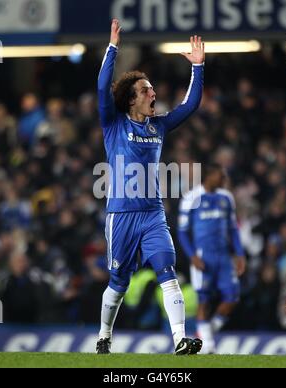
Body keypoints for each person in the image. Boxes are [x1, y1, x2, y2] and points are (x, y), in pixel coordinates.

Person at [96, 19, 205, 355]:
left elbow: (190, 106)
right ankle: (104, 335)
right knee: (118, 283)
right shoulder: (114, 124)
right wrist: (112, 48)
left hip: (152, 214)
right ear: (131, 100)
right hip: (122, 215)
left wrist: (198, 67)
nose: (153, 93)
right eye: (145, 90)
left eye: (152, 89)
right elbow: (102, 89)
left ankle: (179, 340)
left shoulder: (159, 125)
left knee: (167, 269)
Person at [178, 164, 246, 353]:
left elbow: (233, 229)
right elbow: (182, 232)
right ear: (208, 176)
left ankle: (205, 333)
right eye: (219, 176)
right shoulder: (191, 198)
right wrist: (192, 256)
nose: (223, 179)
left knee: (232, 297)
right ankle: (207, 346)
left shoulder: (226, 198)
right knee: (204, 300)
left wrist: (239, 253)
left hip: (224, 256)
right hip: (203, 256)